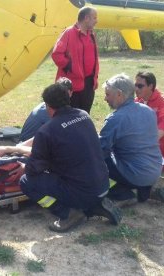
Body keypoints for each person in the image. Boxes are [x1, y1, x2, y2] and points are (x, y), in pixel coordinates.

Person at [17, 83, 121, 233]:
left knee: (26, 181)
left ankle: (68, 213)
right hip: (103, 184)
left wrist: (24, 167)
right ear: (68, 98)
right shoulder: (84, 116)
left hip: (81, 190)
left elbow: (34, 169)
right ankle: (94, 205)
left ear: (47, 105)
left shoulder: (46, 131)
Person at [99, 73, 164, 205]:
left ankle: (123, 195)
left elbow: (100, 150)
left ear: (119, 94)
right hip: (155, 170)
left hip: (135, 174)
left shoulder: (116, 118)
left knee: (95, 163)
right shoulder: (148, 110)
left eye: (108, 94)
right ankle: (145, 192)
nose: (105, 98)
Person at [51, 6, 99, 114]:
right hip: (72, 85)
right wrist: (71, 67)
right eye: (94, 18)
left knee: (84, 115)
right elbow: (56, 54)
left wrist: (94, 77)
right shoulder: (68, 33)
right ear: (86, 18)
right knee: (70, 116)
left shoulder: (91, 34)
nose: (97, 21)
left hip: (88, 84)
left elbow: (94, 58)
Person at [134, 71, 164, 170]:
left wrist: (144, 144)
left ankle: (161, 161)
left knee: (163, 138)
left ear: (150, 86)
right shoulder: (138, 101)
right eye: (135, 85)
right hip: (153, 132)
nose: (136, 89)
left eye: (140, 86)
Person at [19, 77, 73, 142]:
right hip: (28, 144)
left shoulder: (51, 104)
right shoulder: (51, 109)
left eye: (63, 92)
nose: (61, 94)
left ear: (71, 92)